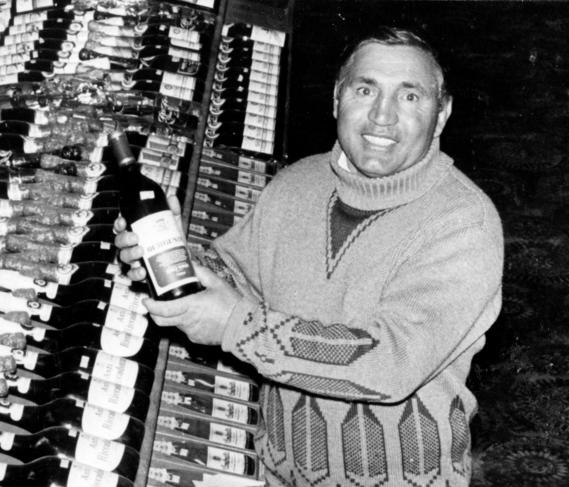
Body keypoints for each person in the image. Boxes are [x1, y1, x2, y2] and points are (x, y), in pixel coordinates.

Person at [114, 26, 504, 487]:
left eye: (410, 97)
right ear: (338, 99)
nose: (382, 117)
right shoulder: (297, 184)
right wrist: (174, 261)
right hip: (279, 472)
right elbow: (236, 274)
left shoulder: (463, 223)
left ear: (442, 115)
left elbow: (390, 363)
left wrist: (237, 326)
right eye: (365, 89)